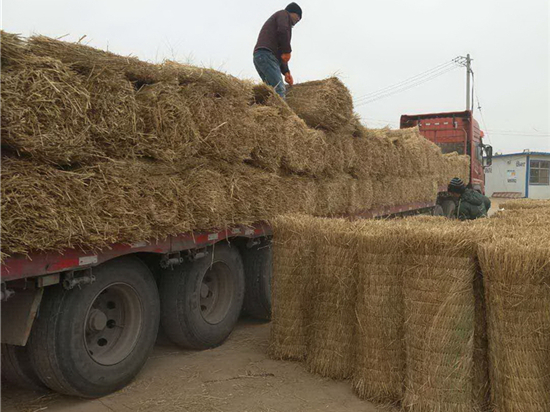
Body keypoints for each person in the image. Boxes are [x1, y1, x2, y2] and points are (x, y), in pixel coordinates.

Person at [253, 3, 302, 99]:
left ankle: (268, 112)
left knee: (270, 90)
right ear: (292, 12)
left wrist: (286, 72)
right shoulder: (283, 14)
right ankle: (281, 113)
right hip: (266, 55)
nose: (298, 20)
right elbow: (283, 31)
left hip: (261, 56)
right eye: (298, 16)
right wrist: (288, 51)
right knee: (279, 88)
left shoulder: (279, 23)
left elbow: (280, 50)